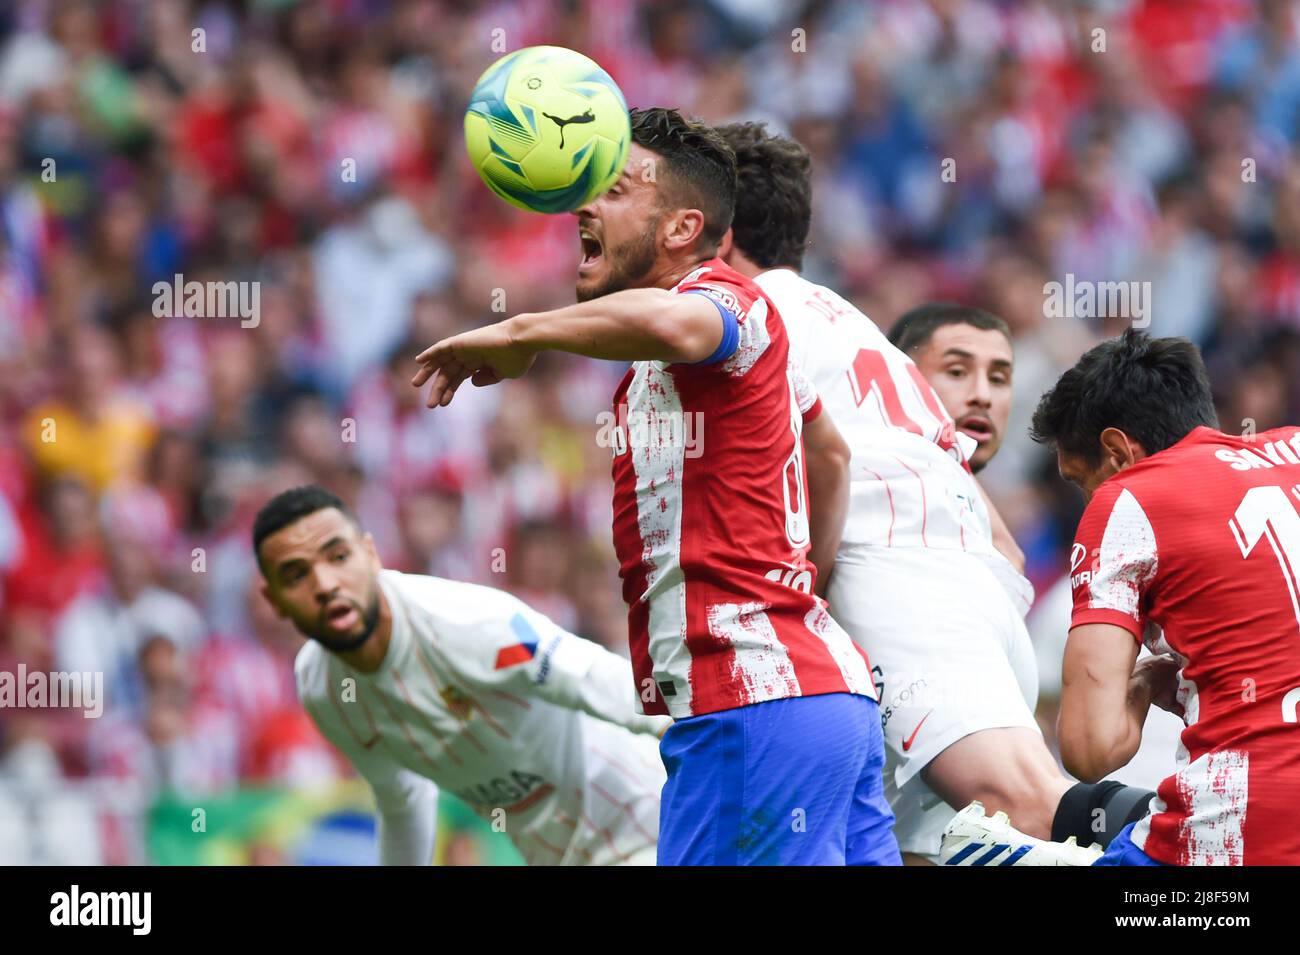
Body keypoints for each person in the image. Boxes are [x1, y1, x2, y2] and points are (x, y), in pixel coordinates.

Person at [412, 107, 895, 866]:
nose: (583, 205)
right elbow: (827, 452)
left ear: (680, 228)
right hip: (819, 700)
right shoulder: (710, 358)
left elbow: (680, 326)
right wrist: (803, 594)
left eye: (613, 189)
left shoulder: (727, 299)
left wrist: (517, 333)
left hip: (749, 704)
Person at [715, 121, 1152, 864]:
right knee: (934, 848)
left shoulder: (740, 313)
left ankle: (1202, 864)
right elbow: (1004, 548)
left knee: (1027, 809)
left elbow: (830, 462)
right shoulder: (854, 329)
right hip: (961, 604)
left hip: (902, 595)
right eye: (957, 369)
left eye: (998, 373)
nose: (979, 393)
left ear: (714, 231)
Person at [255, 484, 667, 865]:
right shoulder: (323, 690)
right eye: (296, 575)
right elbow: (402, 801)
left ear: (370, 555)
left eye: (338, 556)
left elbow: (594, 676)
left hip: (658, 826)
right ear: (274, 600)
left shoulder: (466, 624)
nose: (325, 584)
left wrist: (704, 739)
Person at [1032, 329, 1300, 865]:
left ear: (1116, 451)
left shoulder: (1130, 498)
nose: (1087, 499)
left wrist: (1144, 683)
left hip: (1244, 819)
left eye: (1082, 481)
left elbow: (1091, 748)